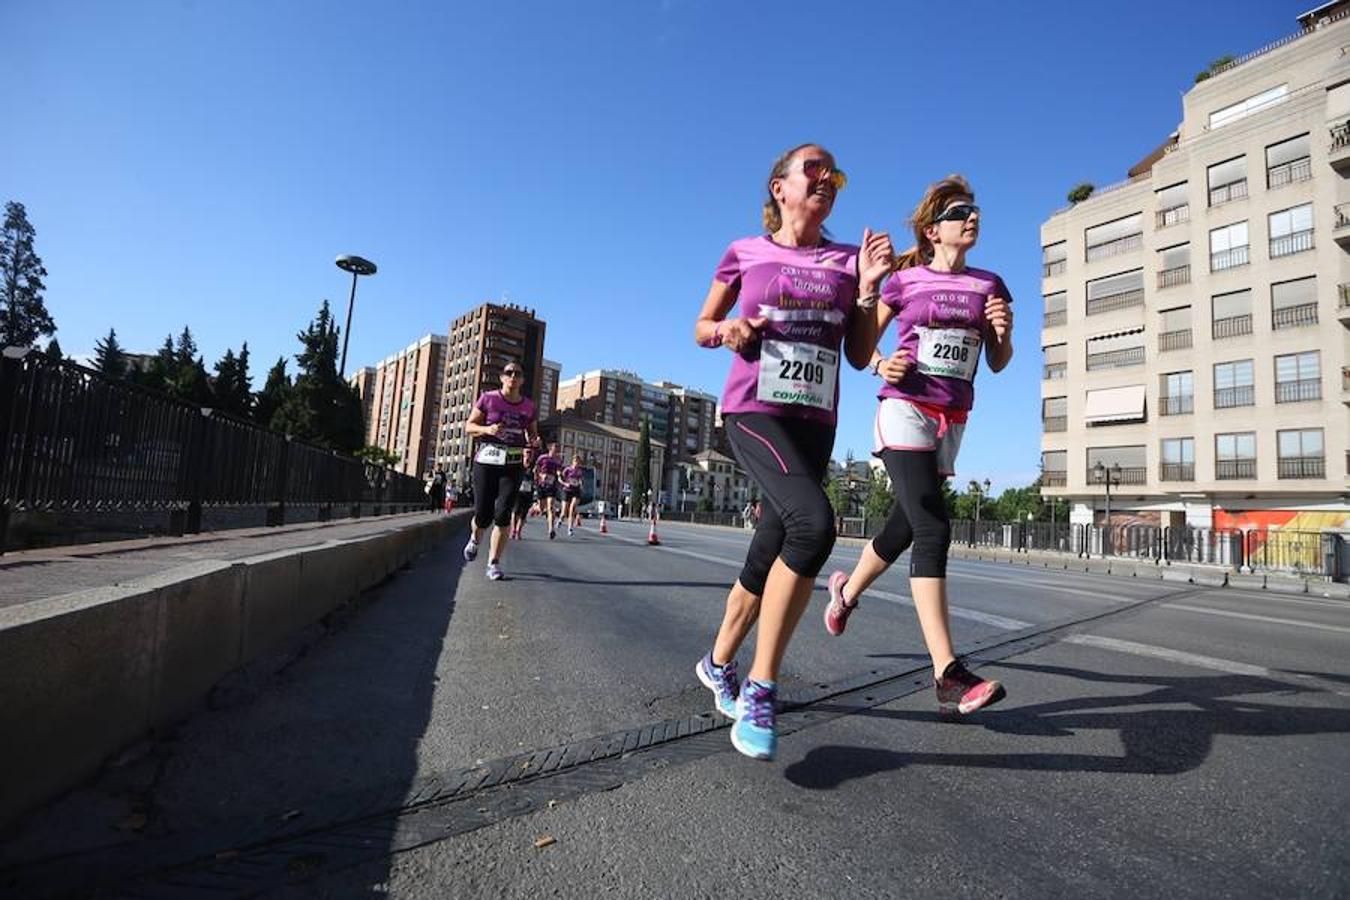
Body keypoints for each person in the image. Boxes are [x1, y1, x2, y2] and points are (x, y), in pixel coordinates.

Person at [692, 142, 892, 760]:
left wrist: (868, 291)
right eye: (814, 169)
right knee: (814, 524)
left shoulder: (844, 260)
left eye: (835, 172)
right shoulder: (743, 252)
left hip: (815, 422)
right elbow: (701, 327)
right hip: (753, 410)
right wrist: (727, 329)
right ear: (779, 187)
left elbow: (858, 355)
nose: (826, 178)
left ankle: (717, 662)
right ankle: (761, 686)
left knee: (772, 546)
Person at [823, 174, 1014, 715]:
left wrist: (1003, 334)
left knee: (906, 525)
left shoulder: (990, 285)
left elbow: (997, 362)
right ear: (933, 231)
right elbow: (860, 352)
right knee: (933, 526)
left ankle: (845, 592)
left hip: (951, 419)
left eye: (976, 211)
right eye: (960, 212)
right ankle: (948, 673)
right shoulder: (905, 283)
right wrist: (886, 362)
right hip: (904, 409)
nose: (972, 217)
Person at [462, 362, 539, 580]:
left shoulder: (529, 406)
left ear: (522, 380)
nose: (513, 376)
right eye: (508, 373)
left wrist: (535, 441)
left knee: (504, 513)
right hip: (487, 459)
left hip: (512, 463)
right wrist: (487, 429)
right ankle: (475, 540)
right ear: (502, 378)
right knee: (483, 514)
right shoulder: (488, 398)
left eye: (518, 374)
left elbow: (532, 434)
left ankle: (493, 563)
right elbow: (469, 427)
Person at [533, 442, 563, 539]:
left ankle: (551, 529)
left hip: (552, 485)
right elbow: (536, 469)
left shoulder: (558, 460)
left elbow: (559, 470)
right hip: (541, 484)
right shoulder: (542, 457)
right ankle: (535, 507)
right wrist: (539, 477)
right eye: (555, 447)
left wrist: (559, 475)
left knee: (550, 507)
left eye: (558, 448)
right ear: (550, 448)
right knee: (541, 508)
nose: (557, 449)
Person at [511, 448, 536, 540]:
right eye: (527, 453)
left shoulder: (534, 467)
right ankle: (513, 529)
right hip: (518, 491)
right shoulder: (518, 465)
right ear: (523, 454)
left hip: (528, 492)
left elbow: (537, 478)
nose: (528, 455)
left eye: (530, 453)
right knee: (516, 510)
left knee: (523, 513)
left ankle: (518, 531)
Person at [561, 454, 585, 536]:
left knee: (572, 509)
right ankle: (561, 518)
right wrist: (565, 483)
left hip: (576, 490)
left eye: (578, 462)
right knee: (564, 511)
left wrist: (581, 484)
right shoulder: (567, 469)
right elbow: (560, 478)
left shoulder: (579, 471)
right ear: (573, 462)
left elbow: (581, 479)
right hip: (567, 490)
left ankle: (570, 529)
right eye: (576, 462)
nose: (577, 464)